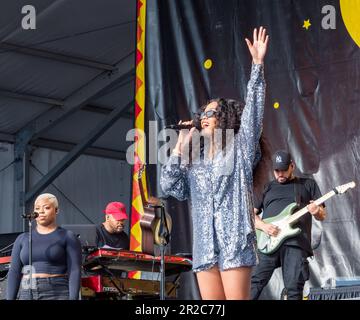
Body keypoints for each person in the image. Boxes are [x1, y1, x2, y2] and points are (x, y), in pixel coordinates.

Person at [160, 27, 269, 300]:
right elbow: (168, 186)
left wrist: (257, 66)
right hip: (205, 248)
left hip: (234, 243)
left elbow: (254, 116)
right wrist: (183, 142)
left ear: (226, 118)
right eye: (203, 113)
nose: (204, 117)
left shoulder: (241, 149)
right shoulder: (194, 163)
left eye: (211, 112)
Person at [251, 150, 327, 300]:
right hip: (268, 241)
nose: (280, 174)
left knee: (293, 289)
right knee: (255, 282)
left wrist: (316, 211)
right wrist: (264, 226)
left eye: (284, 170)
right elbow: (250, 216)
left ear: (292, 166)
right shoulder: (267, 187)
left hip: (295, 243)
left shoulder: (307, 184)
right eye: (277, 170)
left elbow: (322, 215)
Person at [6, 193, 82, 300]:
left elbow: (74, 270)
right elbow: (14, 271)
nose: (41, 211)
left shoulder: (67, 236)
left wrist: (73, 298)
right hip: (27, 290)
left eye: (46, 207)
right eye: (37, 208)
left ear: (56, 210)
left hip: (56, 291)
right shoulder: (22, 238)